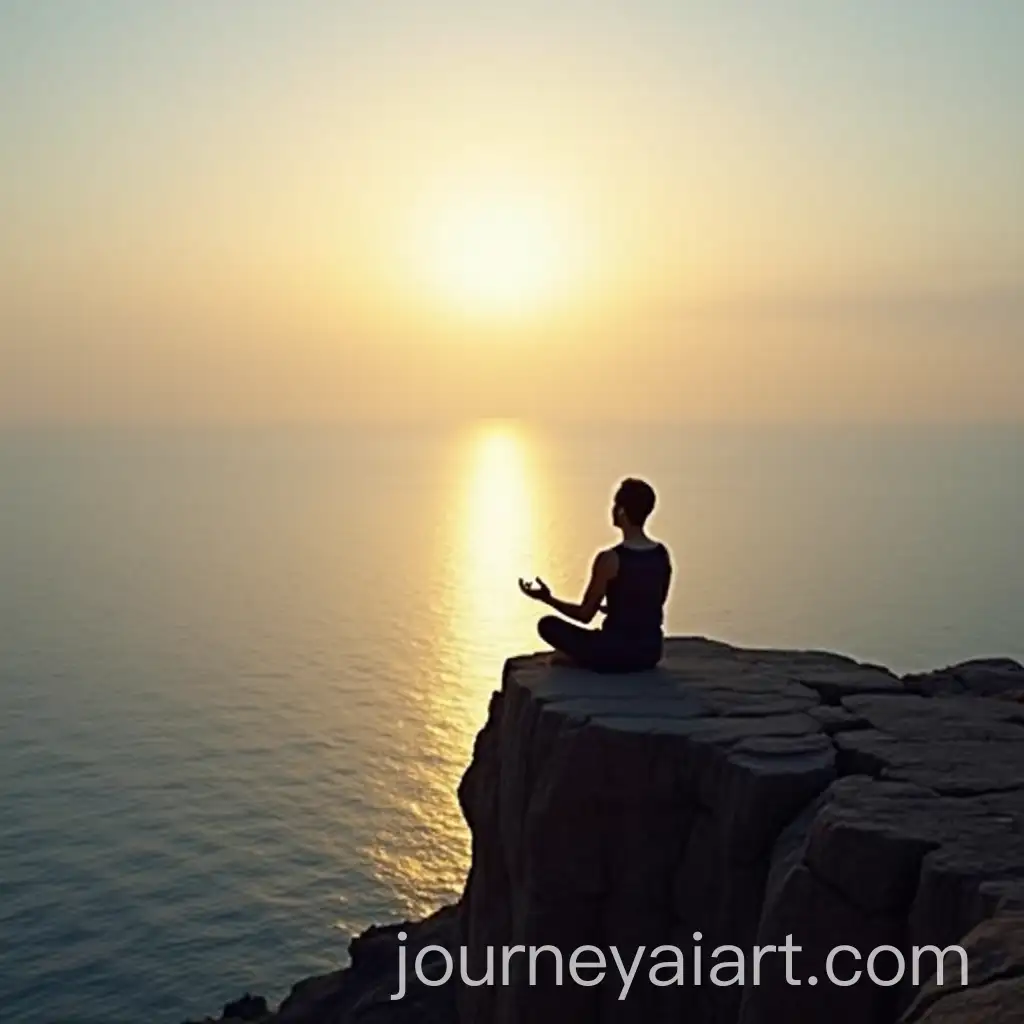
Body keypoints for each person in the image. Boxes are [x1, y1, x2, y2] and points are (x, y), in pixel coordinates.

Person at [519, 477, 672, 673]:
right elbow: (656, 602)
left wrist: (547, 598)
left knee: (547, 625)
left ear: (621, 511)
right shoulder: (661, 554)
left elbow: (585, 615)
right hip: (650, 652)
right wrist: (619, 608)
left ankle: (580, 660)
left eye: (615, 504)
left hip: (614, 651)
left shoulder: (610, 559)